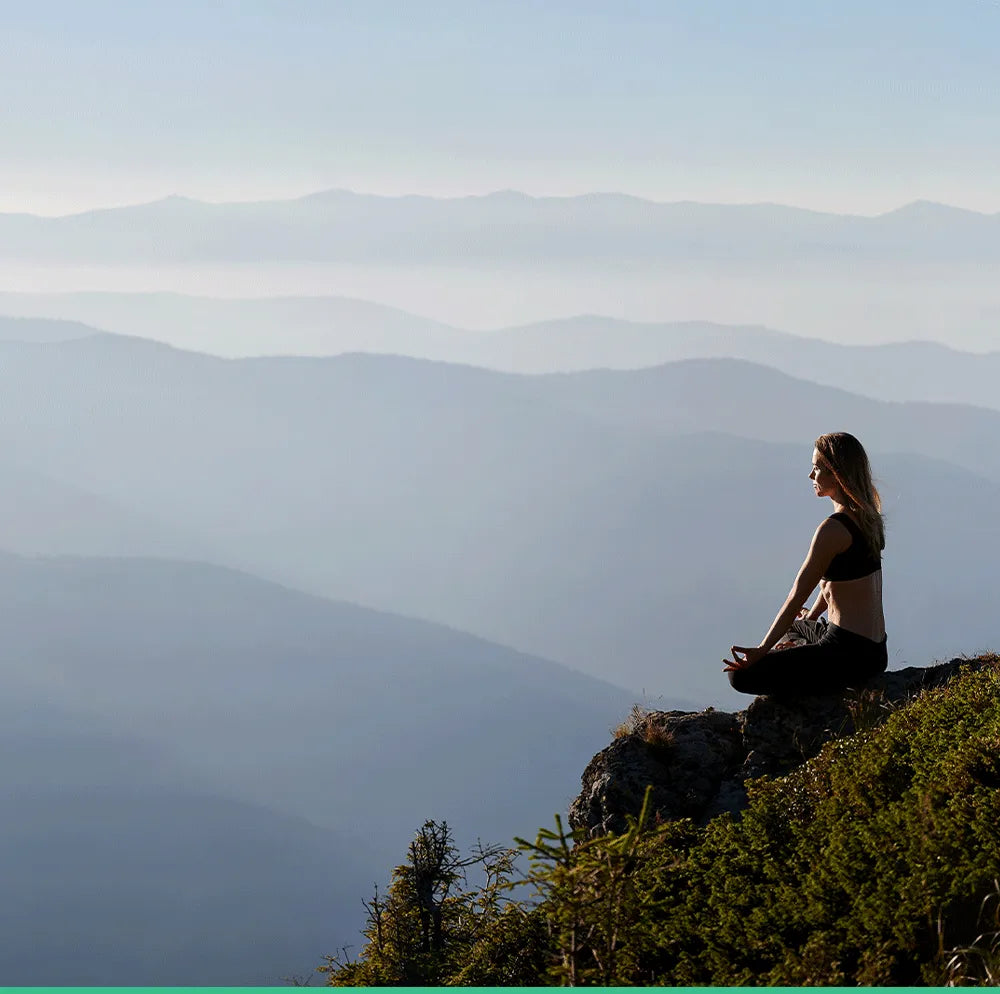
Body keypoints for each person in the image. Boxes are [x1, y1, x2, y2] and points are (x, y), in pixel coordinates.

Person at [724, 432, 887, 696]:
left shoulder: (832, 530)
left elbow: (796, 596)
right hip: (875, 651)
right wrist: (811, 617)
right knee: (794, 627)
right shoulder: (868, 520)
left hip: (848, 654)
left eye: (817, 468)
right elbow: (838, 584)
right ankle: (803, 649)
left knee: (738, 675)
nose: (811, 476)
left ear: (837, 474)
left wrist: (762, 651)